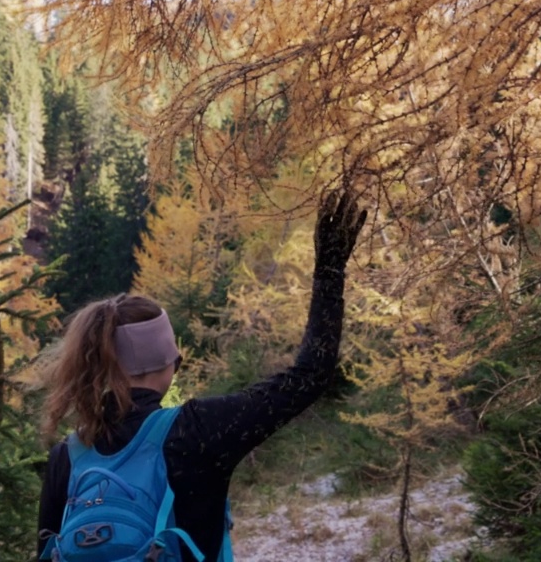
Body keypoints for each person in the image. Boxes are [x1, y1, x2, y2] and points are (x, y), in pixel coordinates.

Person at [36, 193, 366, 561]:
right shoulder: (197, 430)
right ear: (170, 361)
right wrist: (329, 270)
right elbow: (310, 376)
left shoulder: (66, 456)